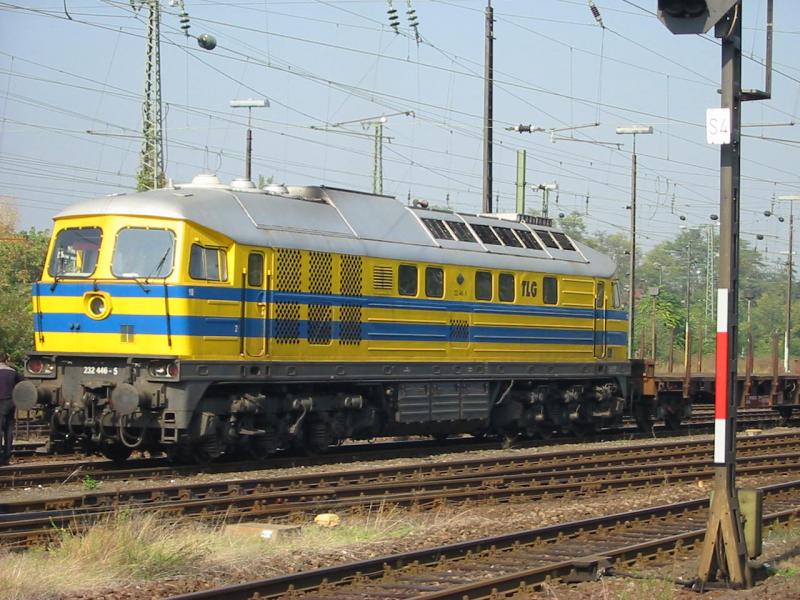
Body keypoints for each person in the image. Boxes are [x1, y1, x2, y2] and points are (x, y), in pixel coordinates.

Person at [0, 352, 22, 465]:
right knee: (8, 430)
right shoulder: (13, 372)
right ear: (6, 360)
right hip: (9, 403)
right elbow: (23, 385)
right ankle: (6, 458)